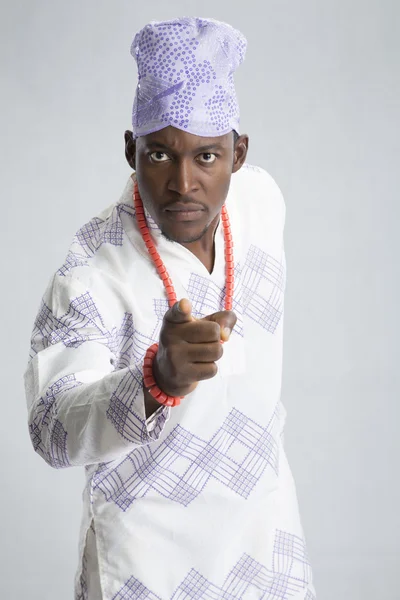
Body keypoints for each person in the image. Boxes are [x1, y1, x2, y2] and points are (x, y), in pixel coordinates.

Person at [25, 17, 316, 600]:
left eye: (207, 156)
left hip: (265, 550)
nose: (183, 182)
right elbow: (51, 427)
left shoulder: (262, 203)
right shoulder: (91, 270)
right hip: (147, 566)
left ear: (239, 153)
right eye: (159, 154)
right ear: (131, 149)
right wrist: (155, 379)